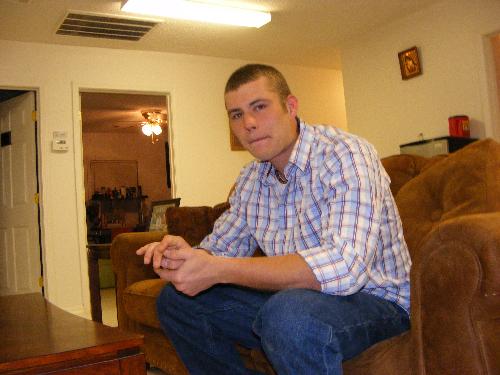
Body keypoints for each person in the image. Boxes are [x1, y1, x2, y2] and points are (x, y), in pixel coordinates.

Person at [137, 64, 411, 375]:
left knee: (289, 315)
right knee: (176, 301)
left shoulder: (346, 154)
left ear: (290, 107)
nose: (248, 124)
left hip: (377, 303)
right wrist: (186, 259)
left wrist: (220, 269)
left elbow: (344, 267)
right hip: (299, 303)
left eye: (259, 107)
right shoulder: (252, 179)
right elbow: (221, 248)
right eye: (236, 114)